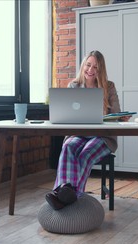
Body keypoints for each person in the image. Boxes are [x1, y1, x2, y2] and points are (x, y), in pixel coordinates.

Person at [45, 50, 130, 210]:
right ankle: (64, 191)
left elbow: (116, 114)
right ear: (83, 65)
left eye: (96, 67)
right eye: (88, 65)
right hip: (79, 134)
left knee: (85, 154)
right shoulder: (74, 85)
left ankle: (68, 195)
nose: (91, 70)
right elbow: (67, 114)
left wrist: (120, 117)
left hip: (103, 137)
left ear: (101, 70)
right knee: (68, 146)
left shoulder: (109, 86)